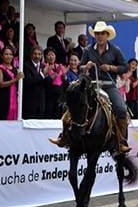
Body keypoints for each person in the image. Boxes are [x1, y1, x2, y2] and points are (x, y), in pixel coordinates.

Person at [48, 21, 130, 153]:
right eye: (97, 33)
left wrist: (111, 67)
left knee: (121, 109)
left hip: (108, 85)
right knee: (71, 104)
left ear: (107, 35)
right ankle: (64, 136)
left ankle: (120, 142)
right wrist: (86, 66)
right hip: (91, 85)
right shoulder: (88, 50)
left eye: (102, 33)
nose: (99, 36)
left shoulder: (115, 50)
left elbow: (125, 67)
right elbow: (80, 67)